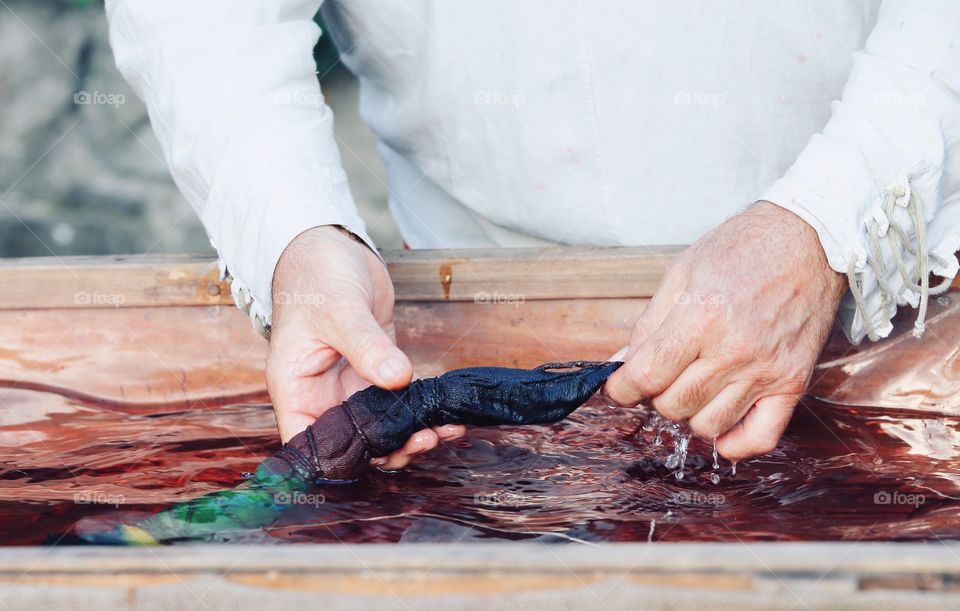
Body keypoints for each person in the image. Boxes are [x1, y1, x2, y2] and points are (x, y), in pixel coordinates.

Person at [105, 0, 960, 469]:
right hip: (462, 285)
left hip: (891, 279)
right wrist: (297, 232)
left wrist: (831, 220)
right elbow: (203, 17)